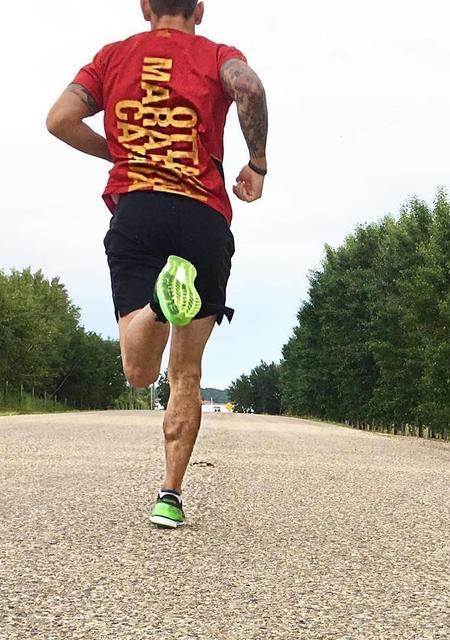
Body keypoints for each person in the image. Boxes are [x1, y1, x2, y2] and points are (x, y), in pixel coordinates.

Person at [46, 0, 268, 528]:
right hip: (203, 219)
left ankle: (158, 306)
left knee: (138, 371)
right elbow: (249, 88)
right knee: (185, 371)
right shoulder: (218, 55)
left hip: (139, 210)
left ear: (145, 7)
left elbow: (59, 120)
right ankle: (170, 495)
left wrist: (118, 152)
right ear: (200, 10)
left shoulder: (112, 58)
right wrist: (257, 163)